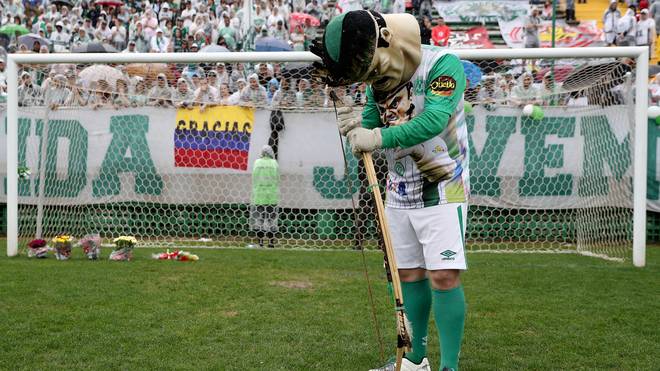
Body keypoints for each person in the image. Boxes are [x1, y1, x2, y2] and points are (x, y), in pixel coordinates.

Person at [313, 10, 469, 371]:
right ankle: (414, 358)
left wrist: (377, 136)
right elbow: (369, 124)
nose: (375, 80)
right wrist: (354, 127)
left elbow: (433, 121)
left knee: (443, 275)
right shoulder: (378, 83)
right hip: (398, 190)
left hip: (444, 187)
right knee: (407, 274)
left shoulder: (444, 66)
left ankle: (449, 366)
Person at [250, 145, 280, 248]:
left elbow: (254, 177)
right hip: (271, 195)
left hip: (259, 195)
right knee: (272, 220)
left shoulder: (257, 162)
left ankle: (261, 243)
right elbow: (277, 178)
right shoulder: (274, 163)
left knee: (260, 220)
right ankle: (271, 243)